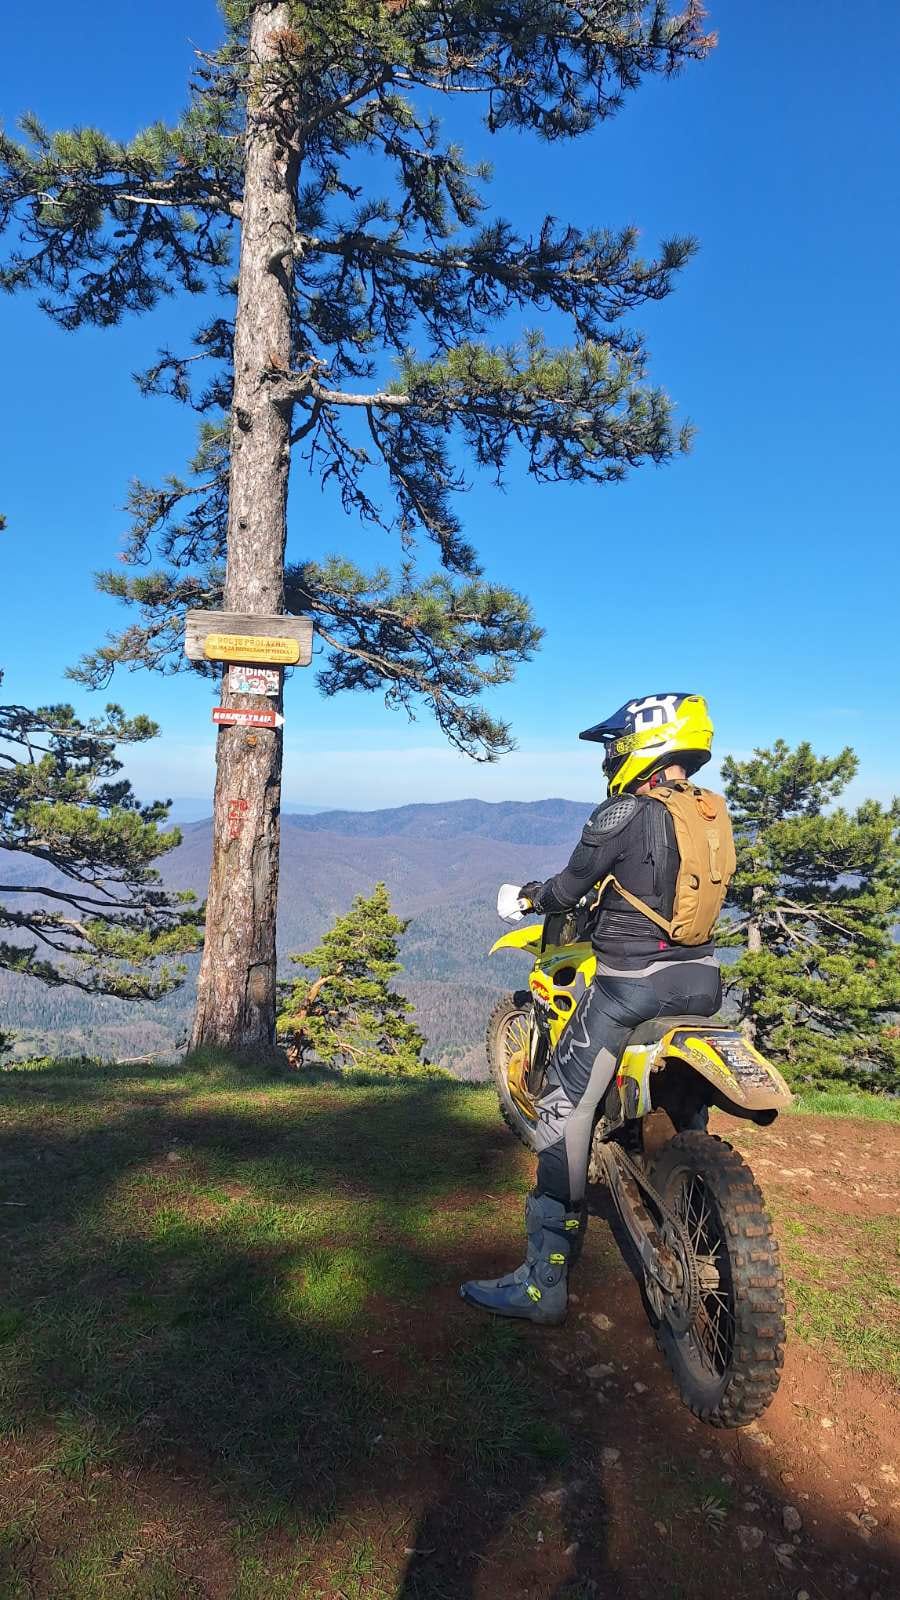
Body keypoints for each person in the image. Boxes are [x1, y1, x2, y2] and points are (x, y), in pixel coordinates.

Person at [460, 693, 726, 1325]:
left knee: (558, 1104)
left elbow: (567, 888)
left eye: (615, 745)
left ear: (642, 745)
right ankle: (692, 1197)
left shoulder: (623, 814)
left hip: (632, 984)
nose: (609, 757)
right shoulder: (711, 813)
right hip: (703, 980)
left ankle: (542, 1282)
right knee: (673, 1101)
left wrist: (525, 898)